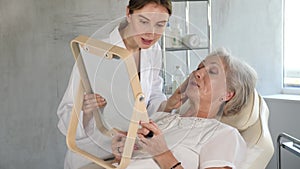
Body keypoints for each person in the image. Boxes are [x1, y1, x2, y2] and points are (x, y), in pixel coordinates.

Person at [57, 1, 185, 168]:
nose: (151, 33)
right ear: (128, 14)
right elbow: (65, 117)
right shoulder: (95, 52)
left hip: (130, 156)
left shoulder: (152, 50)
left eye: (160, 25)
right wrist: (86, 112)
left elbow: (151, 97)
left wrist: (167, 105)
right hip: (92, 158)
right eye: (144, 21)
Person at [111, 48, 258, 169]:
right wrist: (122, 150)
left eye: (212, 72)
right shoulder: (162, 118)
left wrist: (162, 154)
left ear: (227, 94)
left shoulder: (223, 134)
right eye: (199, 67)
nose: (197, 73)